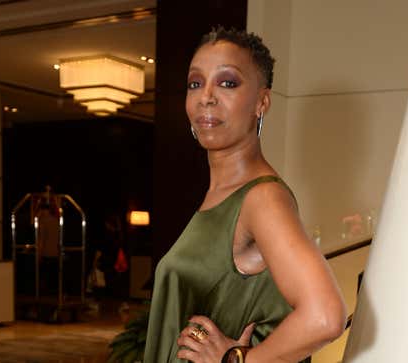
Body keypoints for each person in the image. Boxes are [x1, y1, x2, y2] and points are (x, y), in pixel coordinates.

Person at [144, 27, 347, 363]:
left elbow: (325, 315)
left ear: (261, 102)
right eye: (196, 83)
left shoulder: (262, 198)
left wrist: (238, 359)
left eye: (227, 83)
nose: (206, 96)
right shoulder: (222, 195)